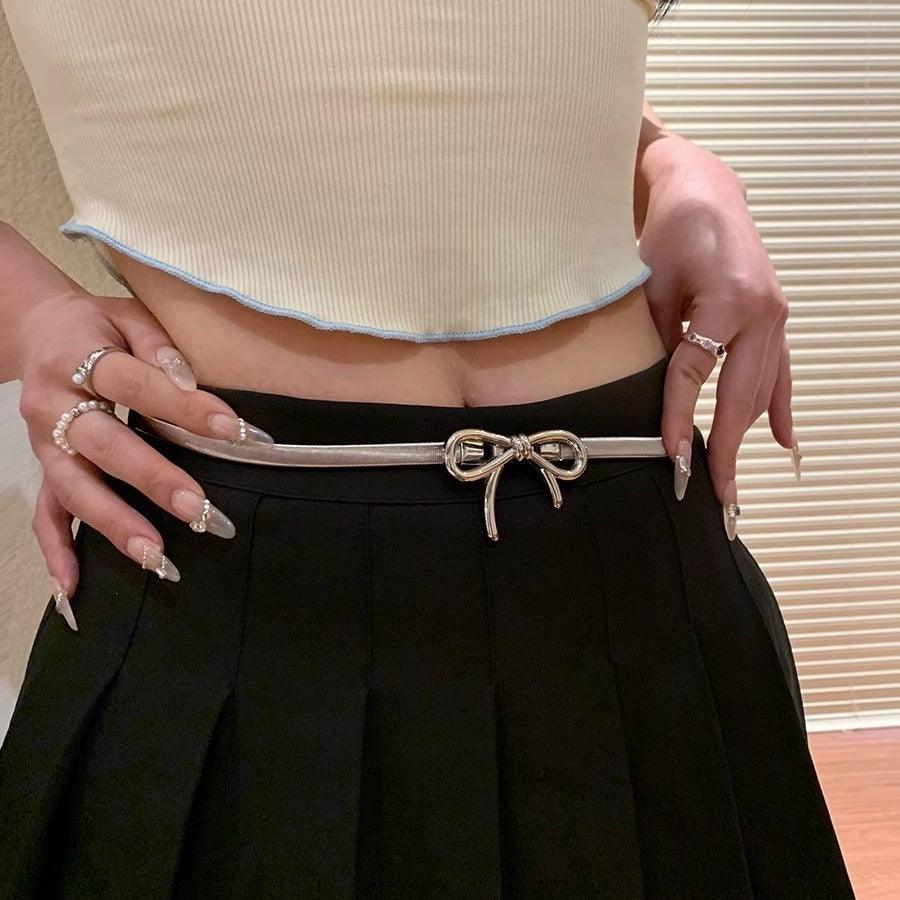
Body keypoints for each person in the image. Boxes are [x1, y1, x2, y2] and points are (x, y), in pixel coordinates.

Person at [0, 0, 854, 896]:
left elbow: (465, 63)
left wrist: (676, 164)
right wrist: (37, 316)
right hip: (231, 572)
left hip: (644, 554)